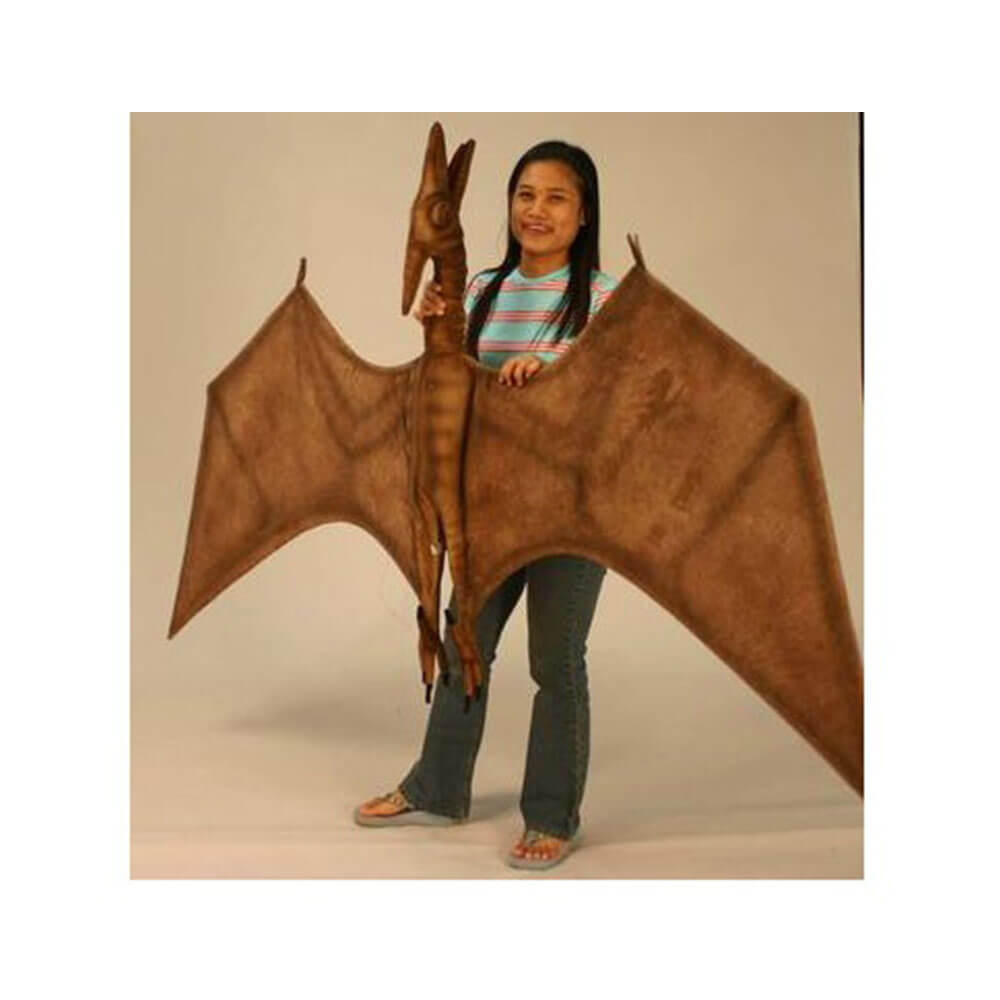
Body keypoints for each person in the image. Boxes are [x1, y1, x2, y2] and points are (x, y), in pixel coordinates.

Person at [355, 140, 618, 871]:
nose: (537, 210)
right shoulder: (485, 290)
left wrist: (555, 368)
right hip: (492, 503)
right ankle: (438, 787)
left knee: (554, 658)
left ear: (584, 213)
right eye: (525, 195)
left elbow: (619, 385)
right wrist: (436, 327)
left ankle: (552, 815)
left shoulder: (604, 297)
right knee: (463, 636)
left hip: (570, 510)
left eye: (557, 197)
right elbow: (455, 386)